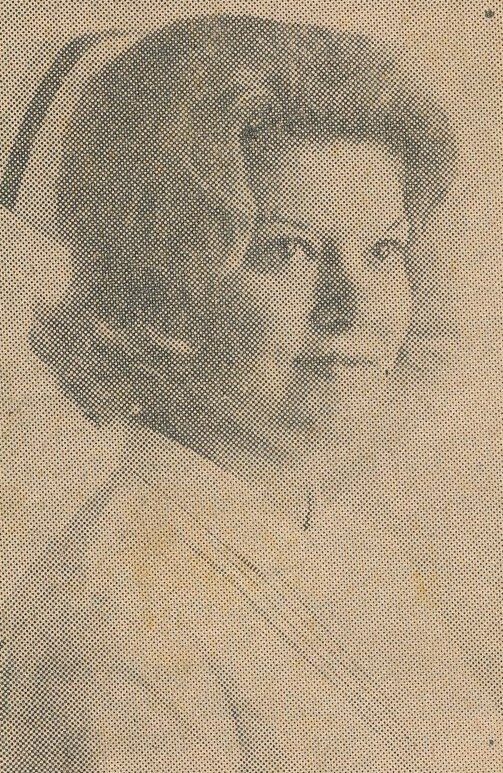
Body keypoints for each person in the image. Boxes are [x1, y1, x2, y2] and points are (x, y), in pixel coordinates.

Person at [1, 14, 501, 772]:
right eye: (288, 251)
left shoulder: (348, 544)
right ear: (161, 287)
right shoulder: (124, 614)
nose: (353, 304)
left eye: (382, 251)